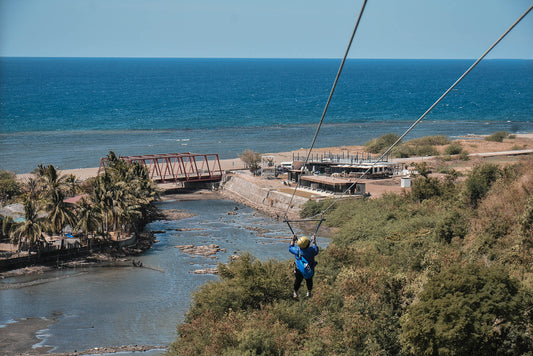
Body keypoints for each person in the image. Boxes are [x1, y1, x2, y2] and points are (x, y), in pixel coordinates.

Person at [289, 234, 319, 298]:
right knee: (309, 280)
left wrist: (293, 240)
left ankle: (295, 293)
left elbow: (290, 247)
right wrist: (314, 241)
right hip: (309, 269)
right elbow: (316, 249)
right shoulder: (312, 250)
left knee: (298, 281)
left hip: (299, 270)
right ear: (308, 244)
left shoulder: (297, 250)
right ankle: (309, 292)